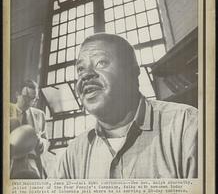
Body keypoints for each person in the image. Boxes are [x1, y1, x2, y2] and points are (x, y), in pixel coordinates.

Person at [54, 33, 198, 179]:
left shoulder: (186, 126)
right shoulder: (73, 153)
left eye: (101, 62)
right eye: (80, 69)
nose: (85, 75)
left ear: (133, 71)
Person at [10, 80, 47, 179]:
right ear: (17, 94)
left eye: (33, 99)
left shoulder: (40, 115)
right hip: (12, 162)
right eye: (26, 97)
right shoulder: (6, 109)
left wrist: (42, 143)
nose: (29, 102)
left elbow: (45, 139)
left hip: (33, 162)